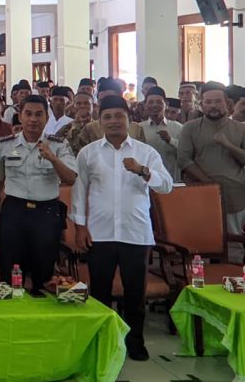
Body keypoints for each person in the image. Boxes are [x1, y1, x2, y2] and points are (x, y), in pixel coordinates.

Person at [70, 95, 173, 362]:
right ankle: (104, 339)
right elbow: (79, 191)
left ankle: (135, 341)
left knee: (135, 292)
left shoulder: (144, 152)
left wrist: (143, 171)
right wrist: (80, 227)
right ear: (99, 121)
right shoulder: (89, 152)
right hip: (99, 232)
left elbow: (166, 185)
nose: (113, 121)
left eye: (119, 116)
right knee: (101, 291)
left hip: (135, 232)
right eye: (107, 117)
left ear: (129, 119)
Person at [0, 95, 76, 292]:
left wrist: (53, 159)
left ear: (47, 117)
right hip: (14, 212)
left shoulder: (59, 145)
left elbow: (71, 178)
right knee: (10, 270)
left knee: (44, 272)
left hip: (45, 213)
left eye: (39, 114)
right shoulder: (5, 144)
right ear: (20, 116)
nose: (33, 119)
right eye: (28, 114)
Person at [178, 82, 245, 240]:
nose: (213, 106)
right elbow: (183, 160)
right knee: (200, 240)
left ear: (228, 104)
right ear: (201, 104)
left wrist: (229, 145)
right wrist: (210, 184)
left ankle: (232, 265)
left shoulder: (243, 130)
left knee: (233, 241)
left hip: (233, 194)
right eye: (208, 102)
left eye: (218, 101)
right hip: (199, 192)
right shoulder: (190, 128)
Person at [70, 79, 146, 153]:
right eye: (102, 101)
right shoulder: (90, 128)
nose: (106, 103)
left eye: (110, 99)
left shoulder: (136, 129)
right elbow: (76, 153)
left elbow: (143, 154)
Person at [139, 87, 183, 182]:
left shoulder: (178, 128)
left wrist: (170, 140)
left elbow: (186, 153)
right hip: (145, 183)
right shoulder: (139, 128)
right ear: (145, 105)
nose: (155, 105)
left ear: (166, 104)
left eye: (159, 102)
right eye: (150, 102)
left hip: (172, 181)